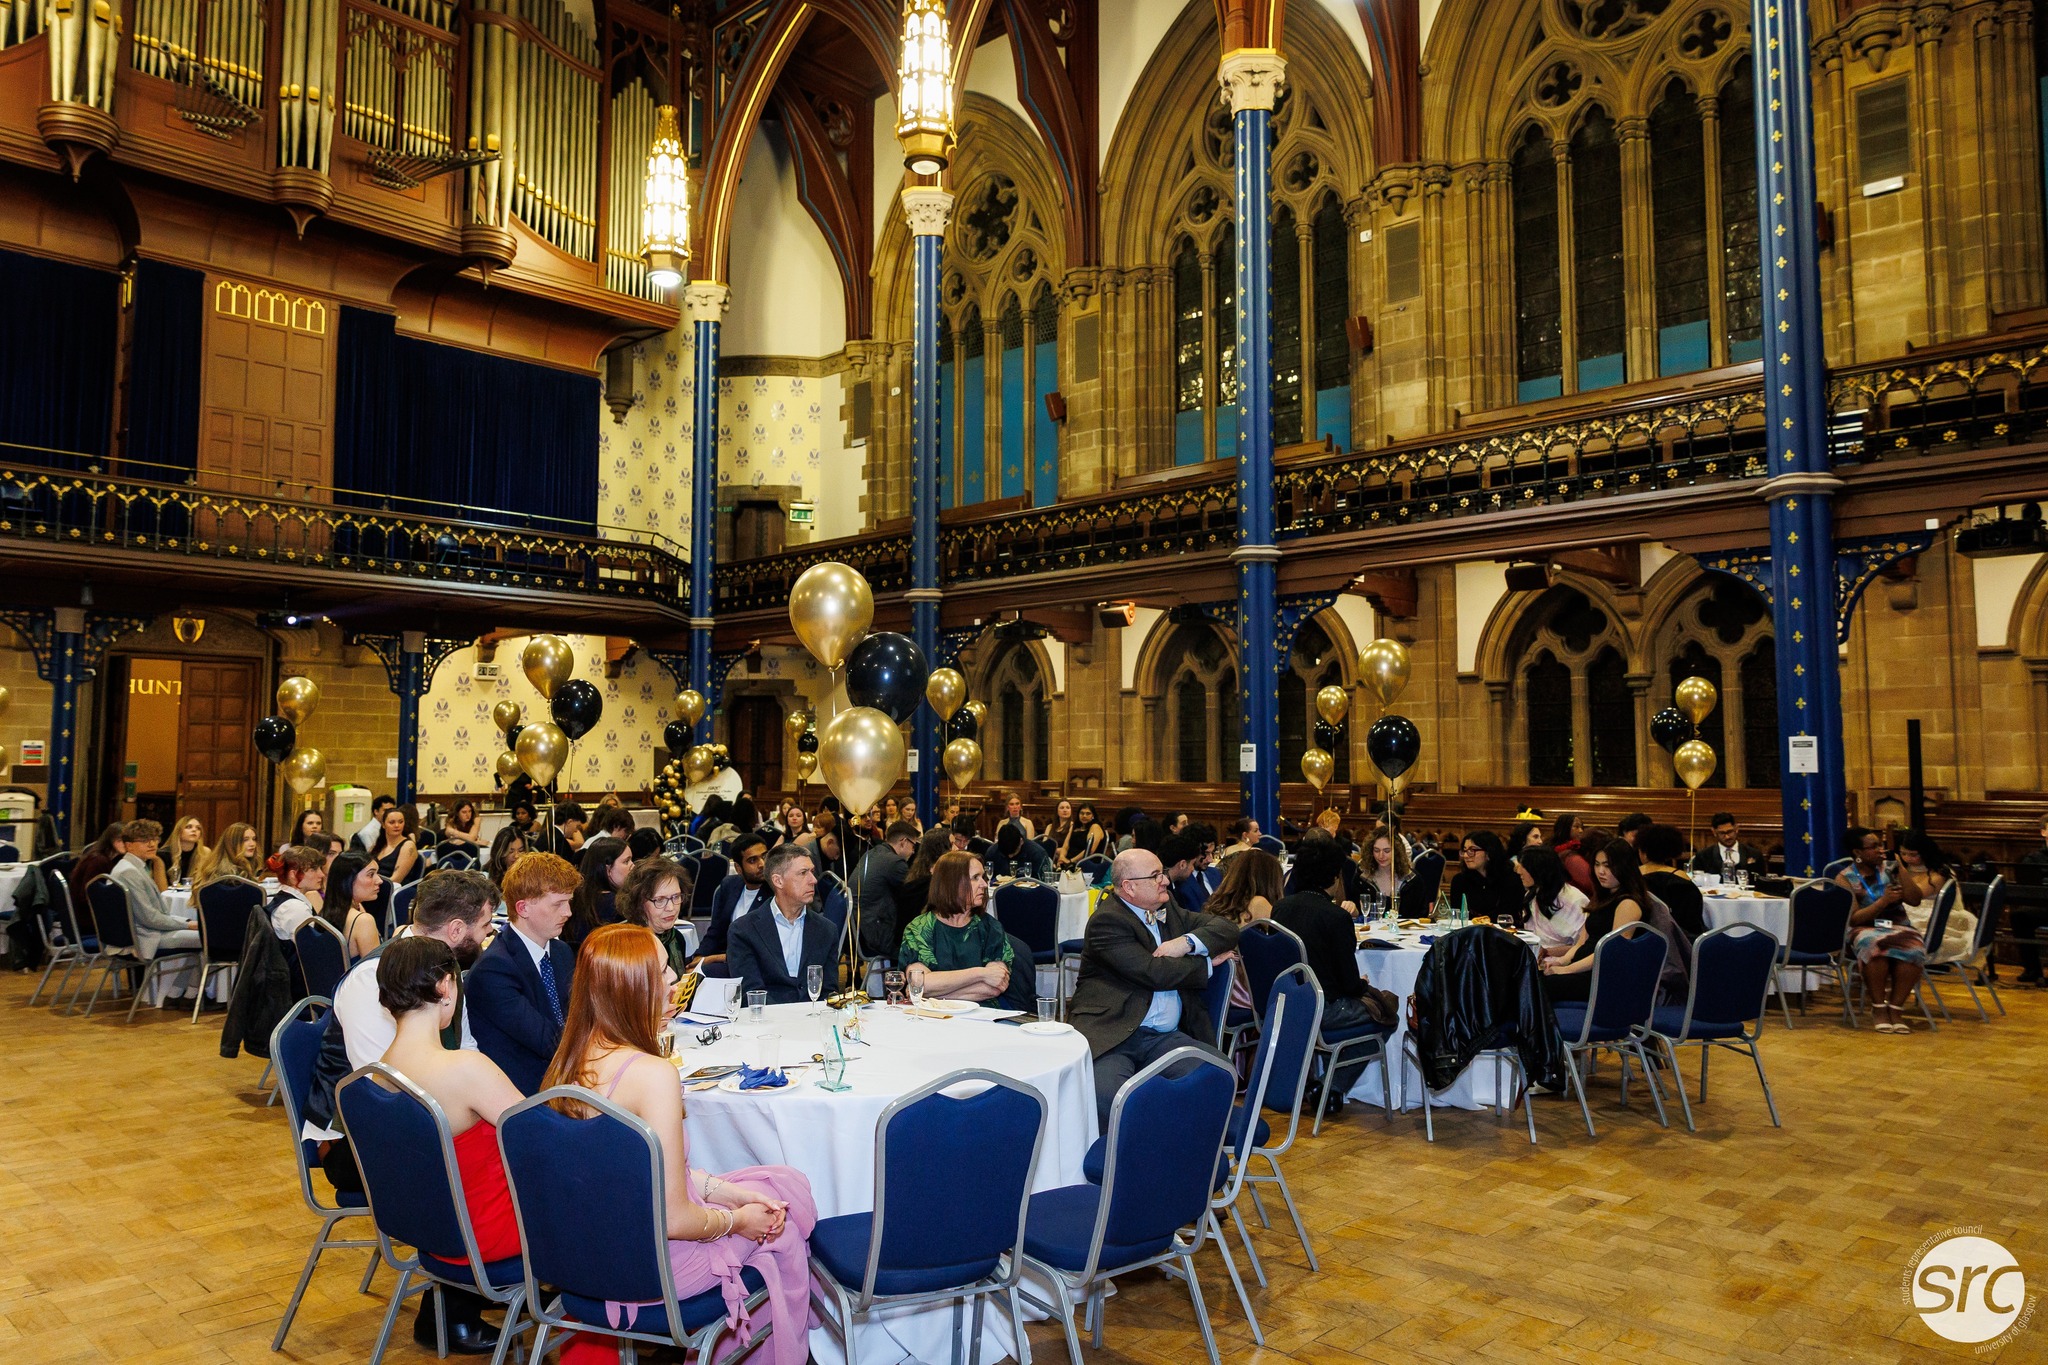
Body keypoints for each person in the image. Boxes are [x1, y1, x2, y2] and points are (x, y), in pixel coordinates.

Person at [542, 924, 816, 1365]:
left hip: (585, 1258)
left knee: (778, 1183)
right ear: (631, 987)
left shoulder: (566, 1063)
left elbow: (637, 1178)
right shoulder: (652, 1075)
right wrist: (737, 1220)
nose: (674, 980)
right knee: (787, 1214)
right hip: (653, 1270)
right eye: (662, 971)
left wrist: (730, 1194)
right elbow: (675, 1218)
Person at [298, 870, 501, 1354]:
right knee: (493, 1154)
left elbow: (463, 1048)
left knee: (491, 1141)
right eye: (484, 925)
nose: (488, 936)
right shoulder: (373, 977)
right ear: (456, 929)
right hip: (354, 1139)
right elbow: (388, 1092)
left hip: (407, 1118)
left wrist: (476, 1091)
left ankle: (482, 1282)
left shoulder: (443, 971)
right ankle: (458, 1300)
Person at [371, 934, 528, 1270]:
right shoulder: (466, 1069)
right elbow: (540, 1137)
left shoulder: (379, 1075)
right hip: (489, 1234)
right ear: (445, 986)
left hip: (432, 1232)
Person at [1068, 848, 1241, 1126]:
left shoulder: (1167, 909)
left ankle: (1178, 1148)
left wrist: (1185, 943)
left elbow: (1226, 928)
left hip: (1165, 1038)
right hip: (1114, 1034)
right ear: (1129, 887)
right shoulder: (1107, 921)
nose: (1166, 881)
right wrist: (1206, 964)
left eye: (1163, 873)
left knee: (1217, 1075)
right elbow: (1153, 973)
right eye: (1155, 876)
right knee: (1111, 1099)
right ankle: (1122, 1154)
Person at [1271, 839, 1399, 1108]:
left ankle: (1327, 1088)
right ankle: (1330, 1086)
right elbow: (1349, 985)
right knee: (1387, 1013)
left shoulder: (1280, 909)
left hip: (1286, 1005)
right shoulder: (1336, 917)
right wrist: (1362, 984)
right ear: (1333, 877)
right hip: (1325, 1010)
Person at [467, 852, 582, 1094]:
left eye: (569, 902)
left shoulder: (561, 952)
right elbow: (547, 1041)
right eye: (558, 904)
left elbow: (577, 1017)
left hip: (564, 1075)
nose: (569, 912)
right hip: (524, 1092)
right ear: (523, 908)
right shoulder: (494, 969)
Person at [899, 851, 1034, 1012]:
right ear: (952, 883)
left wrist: (935, 994)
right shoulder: (920, 928)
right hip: (933, 1016)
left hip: (981, 1015)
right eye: (975, 878)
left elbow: (996, 986)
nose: (984, 884)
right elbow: (920, 984)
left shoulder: (990, 927)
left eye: (983, 877)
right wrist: (980, 974)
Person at [1837, 826, 1928, 1034]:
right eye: (1873, 847)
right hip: (1864, 928)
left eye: (1881, 845)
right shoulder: (1845, 878)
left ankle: (1895, 1010)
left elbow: (1915, 899)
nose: (1880, 850)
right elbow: (1854, 918)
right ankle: (1879, 1008)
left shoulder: (1891, 869)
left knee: (1914, 948)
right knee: (1875, 946)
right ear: (1857, 852)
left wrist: (1900, 868)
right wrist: (1883, 901)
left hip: (1898, 925)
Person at [728, 843, 840, 1005]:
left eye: (812, 871)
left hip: (813, 1016)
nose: (814, 880)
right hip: (766, 1017)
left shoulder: (827, 930)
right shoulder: (743, 930)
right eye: (803, 873)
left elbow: (829, 992)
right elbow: (750, 993)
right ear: (778, 881)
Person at [1539, 841, 1649, 1004]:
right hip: (1582, 968)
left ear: (1624, 867)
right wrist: (1560, 961)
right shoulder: (1601, 897)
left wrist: (1566, 970)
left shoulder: (1628, 903)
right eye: (1597, 864)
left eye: (1607, 865)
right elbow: (1581, 942)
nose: (1600, 871)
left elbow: (1611, 953)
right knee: (1528, 978)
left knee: (1537, 986)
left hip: (1602, 976)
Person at [110, 819, 200, 961]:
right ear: (129, 845)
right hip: (146, 937)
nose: (152, 844)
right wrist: (188, 924)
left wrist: (188, 921)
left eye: (154, 839)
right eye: (144, 840)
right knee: (212, 936)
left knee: (208, 933)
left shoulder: (131, 866)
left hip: (148, 931)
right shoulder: (129, 872)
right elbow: (150, 918)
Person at [1895, 830, 1976, 961]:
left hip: (1934, 915)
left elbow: (1915, 896)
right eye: (1903, 854)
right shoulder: (1900, 869)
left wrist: (1901, 870)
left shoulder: (1939, 872)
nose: (1907, 858)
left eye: (1913, 854)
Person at [698, 834, 771, 971]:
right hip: (727, 961)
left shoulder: (775, 892)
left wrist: (712, 959)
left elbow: (763, 949)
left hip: (756, 966)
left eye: (765, 856)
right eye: (752, 860)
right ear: (738, 868)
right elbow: (715, 931)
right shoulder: (730, 885)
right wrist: (699, 957)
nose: (762, 864)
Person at [619, 855, 696, 978]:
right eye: (660, 900)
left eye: (676, 897)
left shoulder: (676, 938)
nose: (671, 907)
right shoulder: (626, 947)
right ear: (639, 902)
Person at [853, 821, 919, 959]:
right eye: (913, 845)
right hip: (875, 934)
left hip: (857, 928)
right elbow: (914, 893)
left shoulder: (872, 853)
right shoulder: (895, 863)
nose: (913, 851)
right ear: (903, 842)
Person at [1636, 824, 1707, 941]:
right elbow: (1693, 917)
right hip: (1680, 938)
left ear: (1643, 851)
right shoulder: (1681, 877)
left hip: (1640, 936)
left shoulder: (1634, 876)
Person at [1514, 845, 1588, 955]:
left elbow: (1584, 947)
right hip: (1534, 957)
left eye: (1524, 866)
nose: (1518, 871)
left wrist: (1547, 952)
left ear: (1539, 869)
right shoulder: (1532, 895)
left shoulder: (1575, 900)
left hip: (1565, 961)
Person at [564, 837, 632, 950]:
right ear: (608, 868)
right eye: (626, 861)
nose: (633, 866)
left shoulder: (576, 895)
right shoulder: (614, 903)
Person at [321, 852, 387, 961]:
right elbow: (375, 969)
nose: (380, 880)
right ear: (348, 879)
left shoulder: (327, 911)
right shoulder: (363, 921)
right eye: (371, 874)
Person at [1447, 830, 1522, 926]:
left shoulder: (1511, 880)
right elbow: (1457, 916)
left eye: (1472, 850)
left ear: (1489, 853)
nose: (1465, 855)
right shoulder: (1459, 880)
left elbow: (1508, 915)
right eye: (1464, 850)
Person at [2012, 813, 2048, 986]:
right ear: (2043, 832)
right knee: (2019, 916)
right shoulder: (2033, 859)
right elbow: (2028, 887)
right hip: (2044, 906)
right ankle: (2032, 969)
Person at [267, 844, 328, 942]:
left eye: (320, 868)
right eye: (313, 870)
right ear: (293, 874)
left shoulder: (284, 900)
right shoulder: (295, 908)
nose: (321, 874)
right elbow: (309, 947)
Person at [1698, 813, 1766, 883]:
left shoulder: (1754, 854)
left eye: (1730, 832)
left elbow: (1763, 882)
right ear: (1714, 832)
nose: (1727, 837)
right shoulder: (1703, 856)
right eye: (1722, 833)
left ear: (1736, 829)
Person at [194, 822, 264, 889]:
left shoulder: (252, 865)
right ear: (232, 844)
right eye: (245, 840)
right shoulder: (225, 875)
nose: (252, 844)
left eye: (254, 839)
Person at [366, 805, 422, 887]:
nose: (397, 825)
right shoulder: (378, 845)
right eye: (392, 822)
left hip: (392, 889)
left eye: (400, 822)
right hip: (373, 886)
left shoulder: (408, 845)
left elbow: (396, 880)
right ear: (383, 825)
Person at [1361, 826, 1412, 912]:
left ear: (1397, 851)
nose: (1381, 856)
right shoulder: (1362, 878)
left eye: (1387, 851)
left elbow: (1420, 914)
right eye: (1376, 850)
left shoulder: (1411, 879)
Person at [988, 822, 1052, 881]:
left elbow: (1046, 883)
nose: (1010, 856)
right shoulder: (992, 853)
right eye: (1005, 854)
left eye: (1014, 852)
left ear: (1021, 841)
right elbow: (988, 881)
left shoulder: (1038, 854)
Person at [1550, 812, 1594, 897]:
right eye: (1576, 827)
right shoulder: (1569, 856)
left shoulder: (1580, 848)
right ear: (1564, 828)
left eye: (1581, 827)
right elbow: (1590, 882)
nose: (1581, 831)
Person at [167, 815, 207, 882]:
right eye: (188, 827)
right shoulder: (164, 854)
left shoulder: (205, 852)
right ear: (179, 831)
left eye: (198, 828)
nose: (194, 830)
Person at [1043, 798, 1079, 865]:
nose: (1065, 810)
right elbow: (1043, 845)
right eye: (1062, 808)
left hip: (1064, 859)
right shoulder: (1050, 826)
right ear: (1057, 811)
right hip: (1049, 858)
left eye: (1067, 808)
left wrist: (1052, 850)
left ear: (1071, 811)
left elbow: (1068, 848)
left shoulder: (1073, 826)